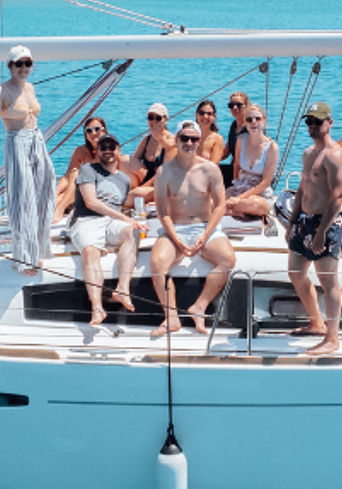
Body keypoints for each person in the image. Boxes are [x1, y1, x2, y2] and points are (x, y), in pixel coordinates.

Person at [0, 45, 55, 275]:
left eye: (28, 63)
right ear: (10, 66)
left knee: (44, 193)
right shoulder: (1, 89)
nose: (24, 68)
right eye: (19, 64)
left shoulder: (30, 87)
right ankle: (23, 259)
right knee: (22, 200)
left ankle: (38, 250)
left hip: (37, 141)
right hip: (17, 142)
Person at [148, 119, 235, 337]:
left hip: (204, 227)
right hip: (175, 228)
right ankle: (171, 317)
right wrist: (176, 239)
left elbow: (220, 206)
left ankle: (199, 307)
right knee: (157, 263)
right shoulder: (163, 172)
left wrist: (205, 236)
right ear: (176, 140)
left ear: (199, 141)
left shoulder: (211, 170)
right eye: (184, 138)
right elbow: (162, 212)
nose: (189, 142)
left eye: (193, 139)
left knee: (228, 260)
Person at [288, 102, 342, 356]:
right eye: (309, 121)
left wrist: (323, 231)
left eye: (318, 121)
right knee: (295, 271)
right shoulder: (308, 153)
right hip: (305, 220)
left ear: (329, 123)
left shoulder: (335, 155)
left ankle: (332, 338)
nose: (313, 126)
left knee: (328, 280)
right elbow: (303, 188)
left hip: (326, 223)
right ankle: (316, 322)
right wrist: (292, 220)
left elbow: (338, 196)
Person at [71, 133, 148, 326]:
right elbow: (91, 202)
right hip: (87, 219)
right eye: (103, 147)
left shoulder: (124, 180)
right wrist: (124, 217)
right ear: (97, 151)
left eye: (111, 147)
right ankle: (97, 308)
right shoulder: (88, 169)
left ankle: (122, 288)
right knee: (90, 251)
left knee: (132, 233)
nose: (108, 151)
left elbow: (118, 206)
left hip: (111, 221)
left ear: (118, 151)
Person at [223, 103, 279, 220]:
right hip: (241, 186)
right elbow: (237, 166)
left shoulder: (272, 147)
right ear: (245, 123)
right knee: (211, 201)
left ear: (264, 121)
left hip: (259, 193)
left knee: (254, 204)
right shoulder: (240, 140)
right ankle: (236, 211)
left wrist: (239, 199)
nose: (254, 122)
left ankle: (230, 209)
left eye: (257, 119)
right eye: (249, 119)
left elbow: (265, 183)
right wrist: (236, 186)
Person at [52, 116, 110, 216]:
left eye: (97, 129)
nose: (93, 133)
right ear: (85, 134)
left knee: (77, 174)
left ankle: (61, 209)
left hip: (99, 190)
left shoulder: (110, 150)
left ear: (104, 131)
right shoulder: (80, 151)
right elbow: (67, 177)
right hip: (80, 190)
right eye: (89, 130)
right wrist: (56, 190)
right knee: (54, 200)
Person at [128, 102, 173, 208]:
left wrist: (141, 188)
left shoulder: (170, 141)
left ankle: (129, 202)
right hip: (147, 179)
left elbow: (164, 173)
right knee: (125, 160)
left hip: (162, 184)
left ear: (165, 120)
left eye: (158, 118)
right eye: (150, 118)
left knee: (134, 195)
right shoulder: (146, 140)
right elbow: (132, 162)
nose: (153, 122)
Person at [220, 91, 251, 182]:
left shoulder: (250, 127)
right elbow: (225, 153)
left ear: (246, 105)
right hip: (234, 168)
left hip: (246, 172)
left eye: (239, 105)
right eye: (231, 105)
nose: (235, 108)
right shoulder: (234, 125)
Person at [195, 99, 227, 164]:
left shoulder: (217, 139)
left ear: (214, 117)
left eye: (209, 114)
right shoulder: (189, 137)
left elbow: (214, 165)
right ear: (196, 115)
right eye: (202, 113)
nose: (205, 116)